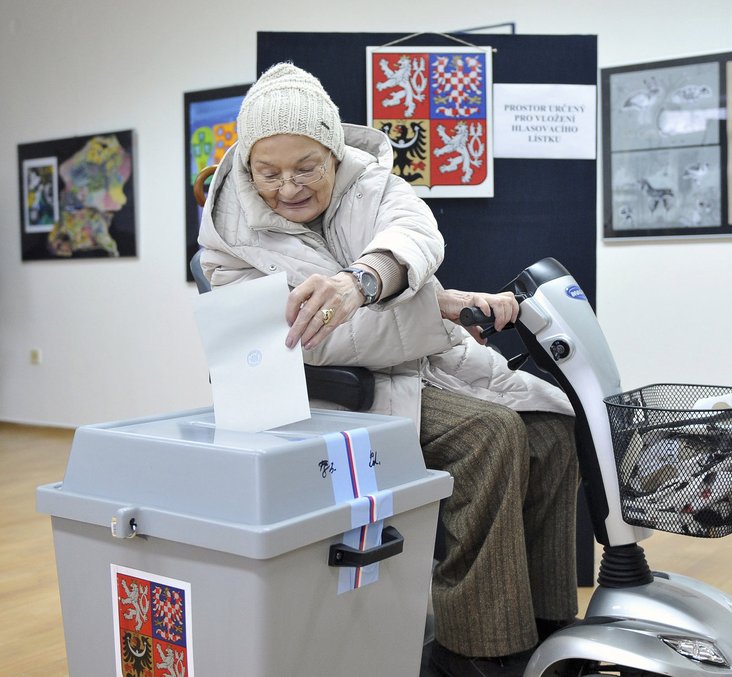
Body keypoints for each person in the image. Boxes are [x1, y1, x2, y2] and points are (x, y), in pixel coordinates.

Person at [197, 62, 579, 677]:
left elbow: (415, 236)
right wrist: (434, 302)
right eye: (267, 172)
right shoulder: (226, 237)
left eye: (306, 168)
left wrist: (364, 283)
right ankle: (479, 652)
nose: (287, 187)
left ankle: (547, 628)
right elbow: (302, 344)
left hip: (419, 366)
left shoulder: (371, 182)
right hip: (329, 396)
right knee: (490, 435)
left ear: (332, 150)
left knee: (552, 431)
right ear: (245, 164)